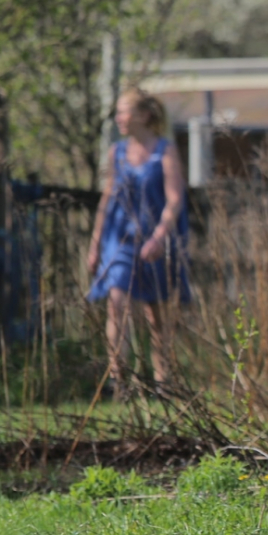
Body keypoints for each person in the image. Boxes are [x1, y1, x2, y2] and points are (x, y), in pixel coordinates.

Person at [86, 88, 191, 393]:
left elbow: (175, 200)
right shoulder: (116, 153)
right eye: (118, 112)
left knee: (155, 312)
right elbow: (107, 199)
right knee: (116, 303)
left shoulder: (165, 151)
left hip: (155, 244)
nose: (119, 118)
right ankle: (119, 381)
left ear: (144, 116)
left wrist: (160, 237)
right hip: (118, 240)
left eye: (125, 112)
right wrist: (94, 245)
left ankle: (162, 382)